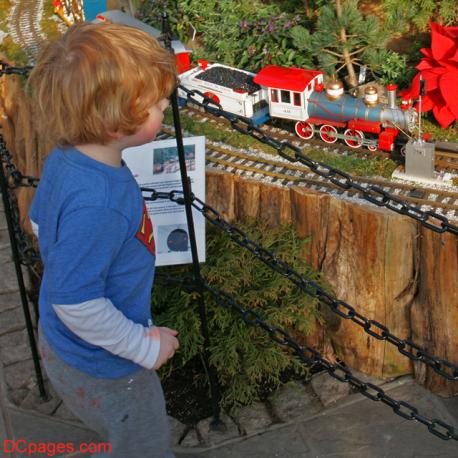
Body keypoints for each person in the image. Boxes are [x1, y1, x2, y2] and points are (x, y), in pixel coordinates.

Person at [28, 22, 179, 457]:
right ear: (117, 123)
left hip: (64, 340)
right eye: (155, 105)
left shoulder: (67, 159)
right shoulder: (100, 202)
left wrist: (69, 261)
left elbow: (40, 222)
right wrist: (141, 346)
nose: (164, 108)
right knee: (143, 440)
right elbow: (76, 302)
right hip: (106, 365)